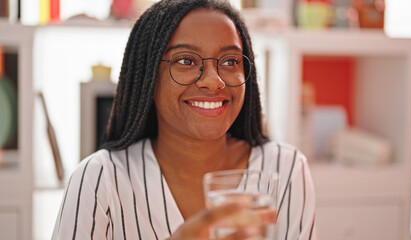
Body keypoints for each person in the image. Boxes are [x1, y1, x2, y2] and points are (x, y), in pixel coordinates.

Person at [52, 0, 316, 239]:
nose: (214, 81)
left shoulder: (285, 168)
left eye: (231, 61)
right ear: (149, 80)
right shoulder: (100, 179)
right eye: (186, 60)